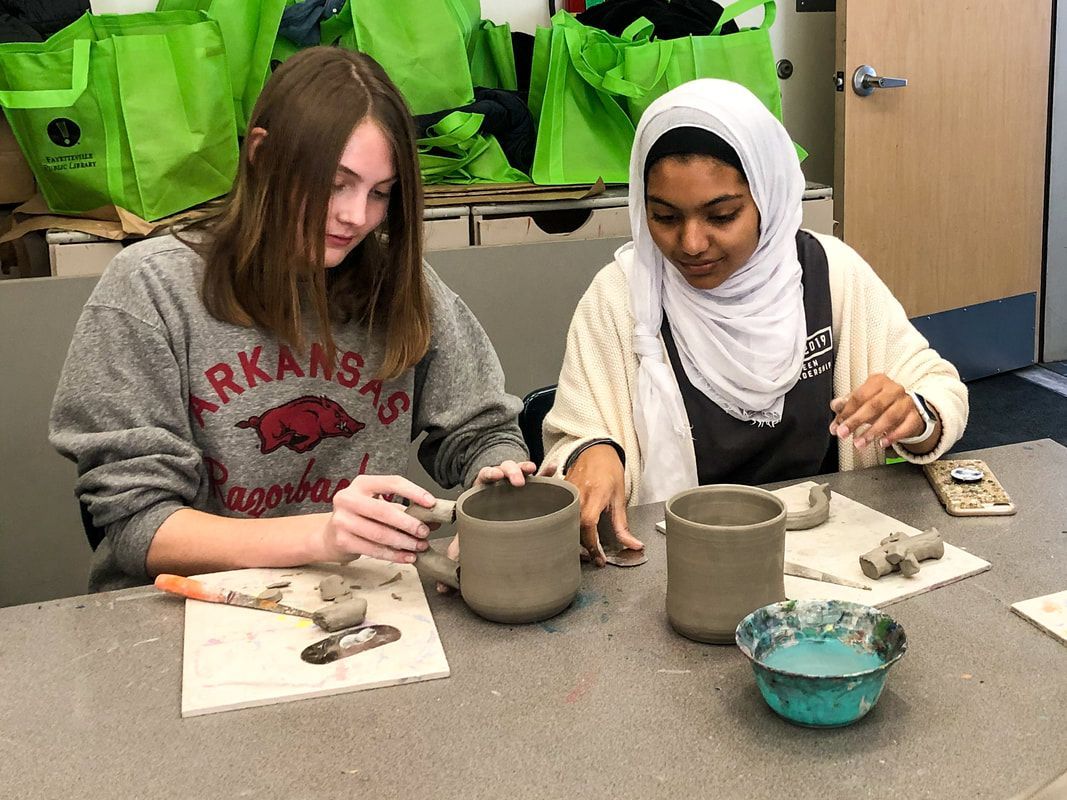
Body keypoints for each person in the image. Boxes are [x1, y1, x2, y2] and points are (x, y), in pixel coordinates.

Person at [49, 48, 533, 592]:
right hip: (190, 612)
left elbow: (480, 431)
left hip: (365, 600)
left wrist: (494, 478)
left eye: (380, 193)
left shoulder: (401, 282)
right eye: (334, 184)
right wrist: (323, 536)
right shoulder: (149, 289)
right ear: (262, 153)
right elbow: (138, 528)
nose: (356, 217)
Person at [542, 79, 969, 565]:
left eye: (722, 215)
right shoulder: (620, 298)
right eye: (663, 216)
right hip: (682, 561)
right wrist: (591, 452)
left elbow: (942, 393)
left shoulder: (831, 274)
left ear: (769, 194)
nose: (692, 244)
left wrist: (913, 415)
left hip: (836, 552)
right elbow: (571, 437)